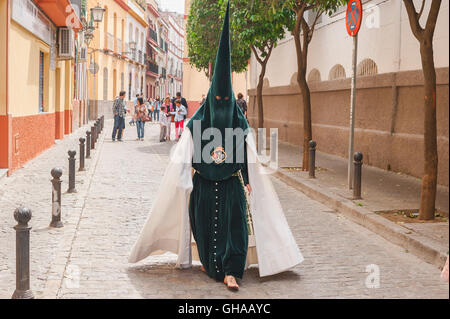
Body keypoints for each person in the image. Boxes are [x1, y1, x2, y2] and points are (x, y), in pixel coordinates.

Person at [129, 2, 303, 292]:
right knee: (208, 232)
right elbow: (183, 159)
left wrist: (248, 182)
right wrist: (184, 183)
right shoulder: (196, 124)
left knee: (236, 231)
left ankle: (232, 271)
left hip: (232, 189)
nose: (222, 107)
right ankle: (216, 269)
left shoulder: (237, 121)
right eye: (217, 102)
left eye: (226, 102)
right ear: (210, 100)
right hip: (205, 189)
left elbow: (248, 157)